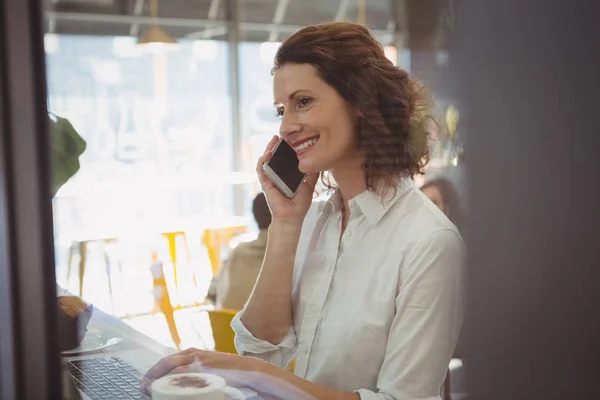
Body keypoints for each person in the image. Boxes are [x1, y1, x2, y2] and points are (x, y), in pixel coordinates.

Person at [143, 22, 465, 400]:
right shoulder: (313, 221)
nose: (286, 126)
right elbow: (261, 348)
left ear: (360, 101)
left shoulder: (431, 243)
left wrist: (250, 371)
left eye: (303, 102)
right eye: (282, 109)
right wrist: (285, 222)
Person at [207, 192, 271, 310]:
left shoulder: (238, 251)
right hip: (257, 327)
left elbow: (211, 293)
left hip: (224, 326)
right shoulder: (292, 256)